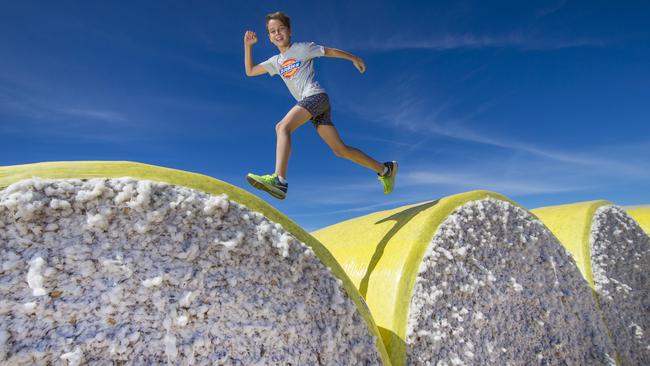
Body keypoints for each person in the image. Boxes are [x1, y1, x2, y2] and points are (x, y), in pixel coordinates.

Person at [243, 11, 397, 200]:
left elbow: (329, 51)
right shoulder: (275, 62)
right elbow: (250, 71)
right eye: (273, 31)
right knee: (340, 150)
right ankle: (385, 169)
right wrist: (248, 46)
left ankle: (279, 180)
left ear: (289, 31)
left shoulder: (303, 48)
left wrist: (353, 58)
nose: (277, 33)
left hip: (316, 97)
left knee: (282, 127)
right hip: (314, 108)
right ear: (270, 38)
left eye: (281, 29)